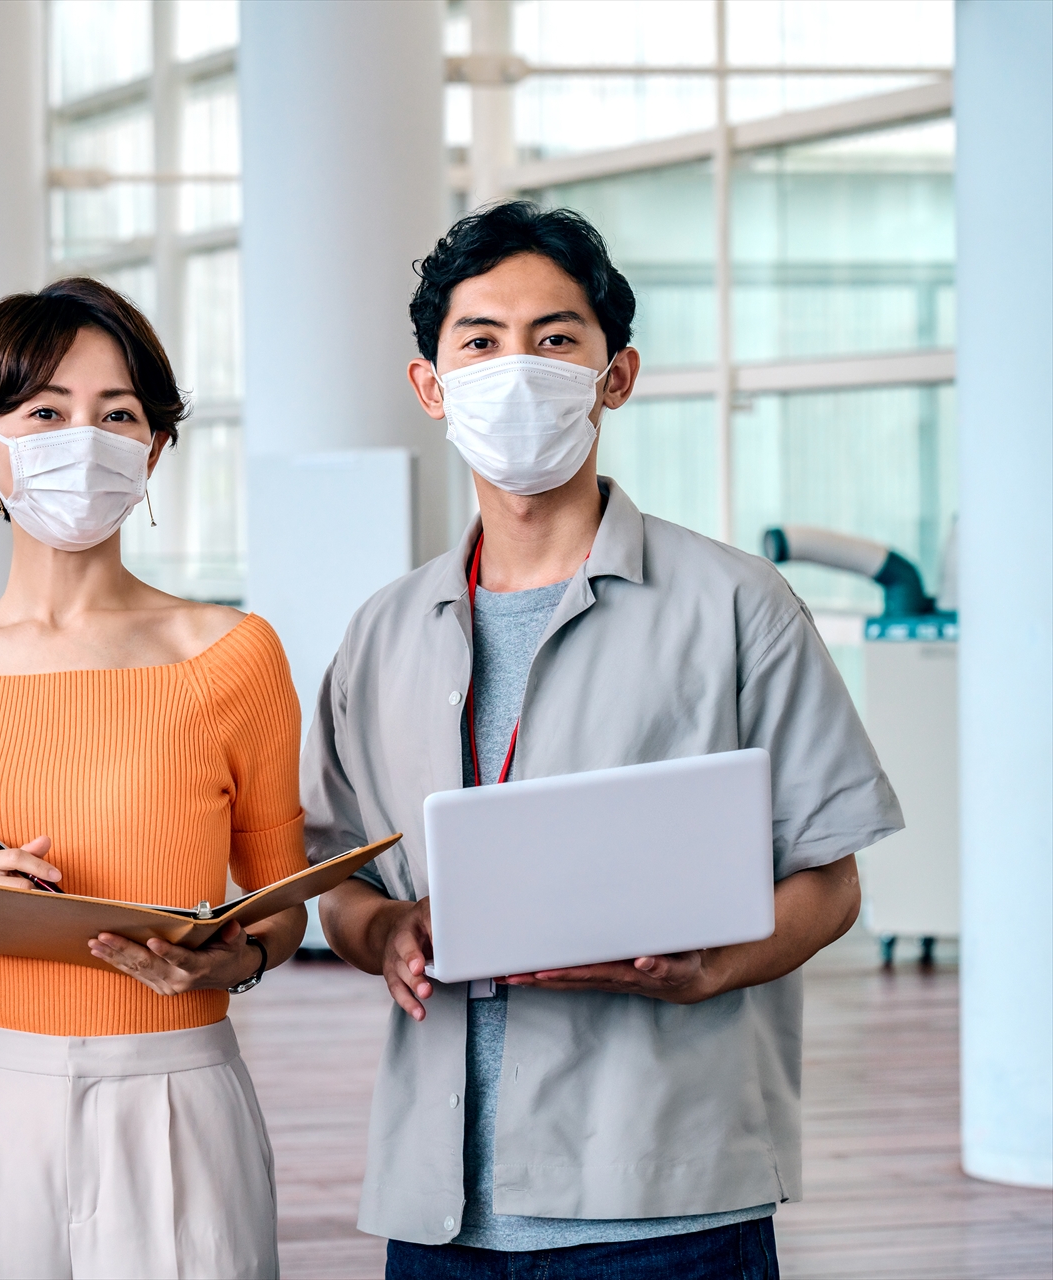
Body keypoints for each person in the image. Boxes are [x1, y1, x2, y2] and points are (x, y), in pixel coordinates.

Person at [309, 202, 902, 1280]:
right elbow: (335, 875)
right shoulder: (383, 633)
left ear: (614, 374)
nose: (516, 367)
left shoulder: (736, 605)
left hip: (665, 1206)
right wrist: (384, 927)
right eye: (479, 341)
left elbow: (832, 880)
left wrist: (712, 967)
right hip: (438, 1213)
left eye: (555, 338)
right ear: (430, 386)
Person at [0, 277, 307, 1279]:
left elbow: (282, 902)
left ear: (154, 449)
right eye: (45, 411)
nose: (82, 438)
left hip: (181, 1096)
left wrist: (233, 961)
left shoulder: (235, 654)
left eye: (117, 414)